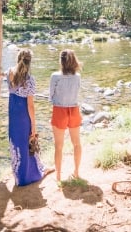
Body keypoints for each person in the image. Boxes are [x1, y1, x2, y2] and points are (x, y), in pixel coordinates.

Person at [4, 48, 52, 186]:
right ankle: (32, 175)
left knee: (16, 141)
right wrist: (34, 127)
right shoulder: (29, 80)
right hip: (23, 114)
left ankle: (19, 176)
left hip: (13, 113)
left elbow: (5, 74)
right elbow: (31, 106)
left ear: (17, 59)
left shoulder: (9, 73)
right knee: (28, 142)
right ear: (29, 62)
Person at [49, 49, 82, 183]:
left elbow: (51, 95)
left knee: (58, 146)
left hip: (59, 111)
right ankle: (76, 172)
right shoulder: (78, 76)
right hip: (74, 110)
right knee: (77, 144)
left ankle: (58, 177)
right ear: (74, 61)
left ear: (61, 61)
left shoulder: (55, 76)